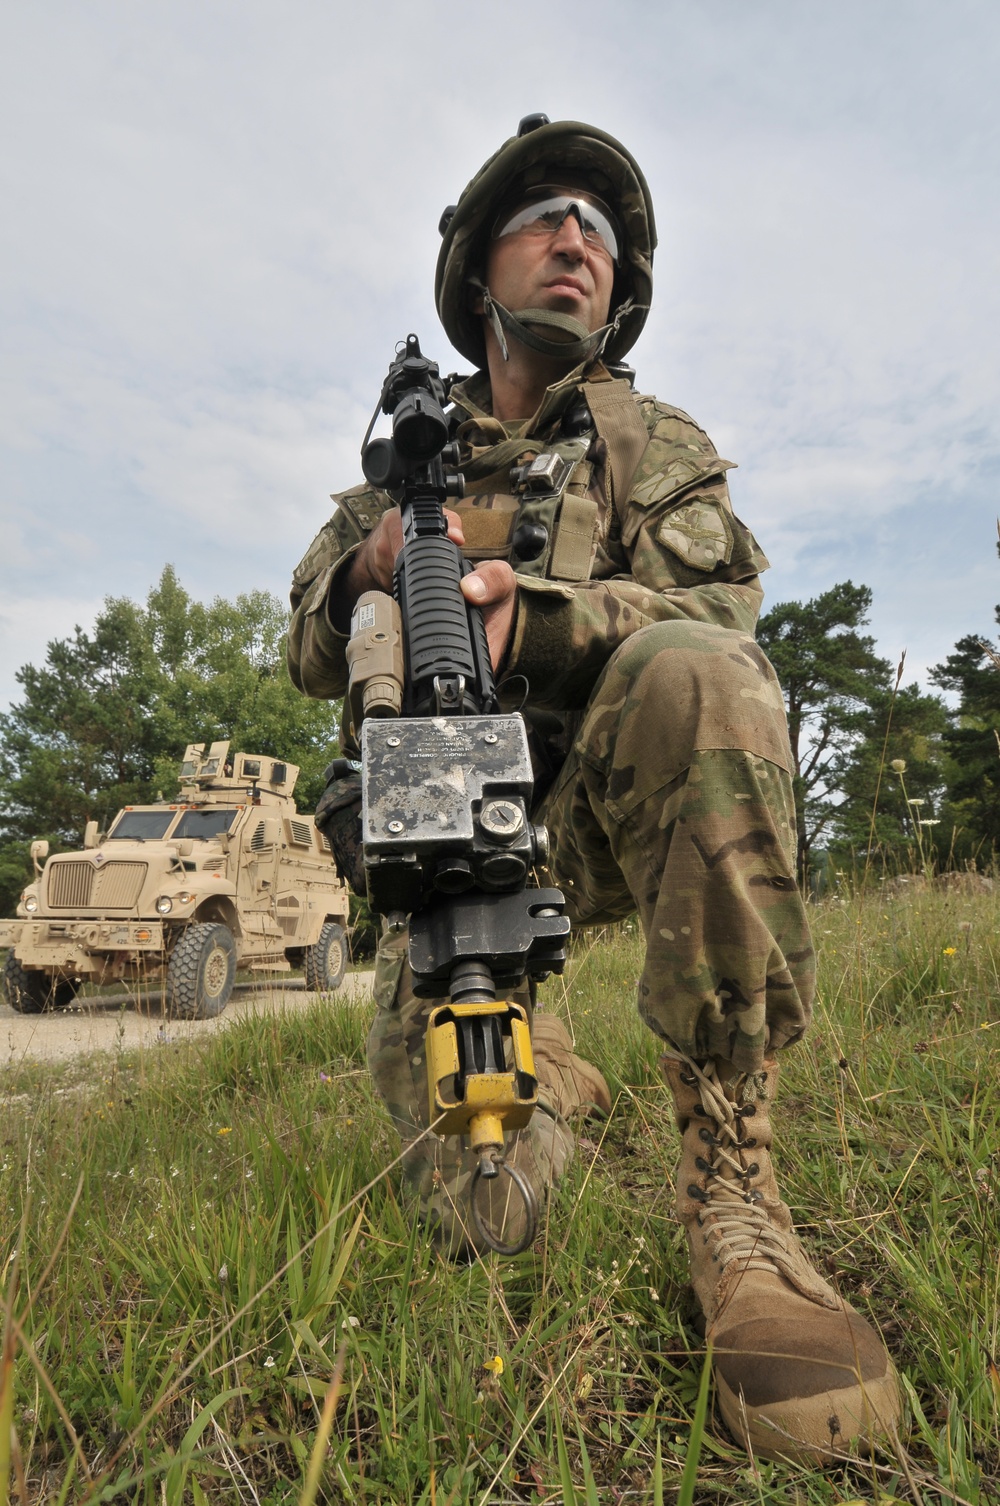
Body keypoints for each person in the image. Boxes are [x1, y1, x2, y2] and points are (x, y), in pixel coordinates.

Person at [287, 115, 900, 1462]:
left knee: (704, 676)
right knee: (484, 1210)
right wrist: (370, 565)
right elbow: (303, 648)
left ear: (622, 290)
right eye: (547, 214)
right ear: (475, 267)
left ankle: (736, 1187)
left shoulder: (647, 445)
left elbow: (723, 610)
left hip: (603, 812)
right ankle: (543, 1057)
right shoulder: (395, 471)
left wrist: (541, 616)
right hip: (446, 850)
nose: (579, 238)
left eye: (604, 229)